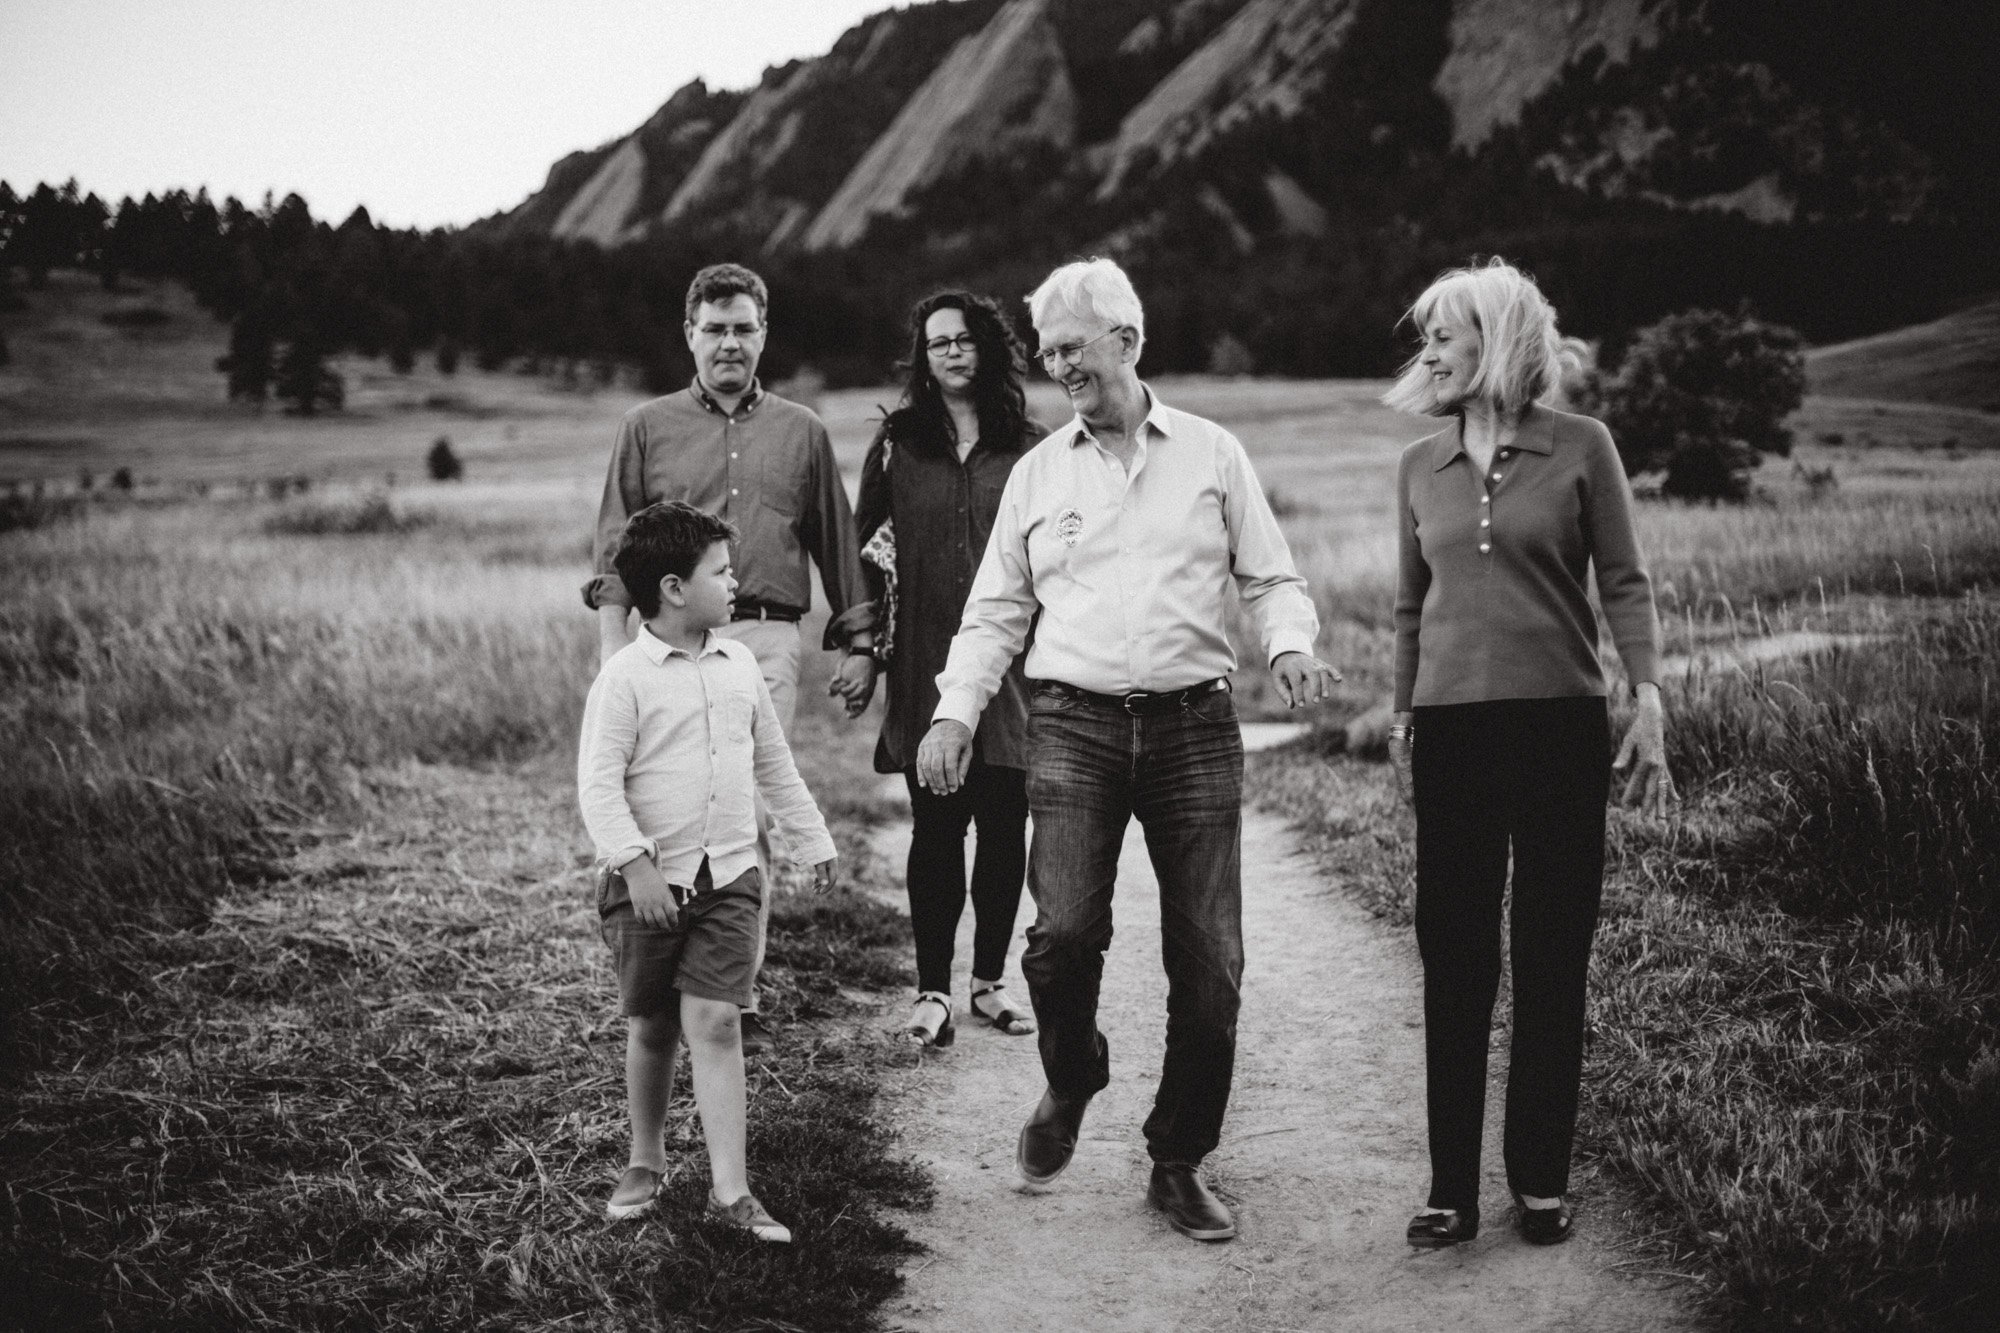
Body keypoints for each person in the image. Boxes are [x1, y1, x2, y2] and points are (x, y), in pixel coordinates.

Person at [915, 257, 1342, 1243]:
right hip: (1071, 724)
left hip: (1194, 726)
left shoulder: (1209, 454)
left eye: (1074, 347)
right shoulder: (1039, 473)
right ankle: (1072, 1077)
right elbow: (993, 613)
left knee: (1210, 961)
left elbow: (1270, 577)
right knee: (1059, 937)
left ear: (1128, 341)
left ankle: (1177, 1157)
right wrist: (953, 713)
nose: (1058, 365)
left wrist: (1287, 643)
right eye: (1048, 350)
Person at [1383, 258, 1676, 1250]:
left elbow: (1624, 584)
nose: (1425, 350)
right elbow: (1405, 606)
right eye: (1423, 335)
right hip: (1451, 733)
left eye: (1442, 333)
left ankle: (1540, 1181)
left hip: (1558, 727)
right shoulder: (1415, 466)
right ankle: (1449, 1189)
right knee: (1454, 956)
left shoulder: (1581, 447)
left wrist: (1647, 698)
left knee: (1551, 955)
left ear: (1496, 340)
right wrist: (1397, 713)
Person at [584, 262, 876, 1055]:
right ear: (690, 334)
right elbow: (616, 547)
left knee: (743, 809)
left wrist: (858, 641)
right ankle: (655, 966)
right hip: (663, 641)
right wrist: (618, 658)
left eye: (744, 328)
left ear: (763, 334)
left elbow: (836, 542)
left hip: (765, 640)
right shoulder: (646, 427)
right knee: (662, 799)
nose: (730, 343)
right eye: (714, 329)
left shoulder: (802, 431)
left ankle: (728, 988)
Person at [578, 501, 838, 1238]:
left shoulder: (740, 664)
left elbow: (773, 762)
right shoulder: (625, 678)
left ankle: (732, 1191)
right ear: (672, 588)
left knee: (717, 1020)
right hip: (647, 887)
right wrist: (636, 867)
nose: (736, 583)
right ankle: (647, 1156)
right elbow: (598, 785)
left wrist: (810, 836)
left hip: (728, 877)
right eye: (722, 572)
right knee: (655, 1025)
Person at [854, 292, 1042, 1049]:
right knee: (936, 828)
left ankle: (989, 983)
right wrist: (862, 647)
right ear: (922, 359)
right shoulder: (898, 444)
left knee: (1004, 828)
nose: (954, 352)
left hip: (1014, 670)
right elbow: (867, 549)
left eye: (965, 340)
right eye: (938, 344)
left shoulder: (1032, 445)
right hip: (925, 660)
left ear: (990, 349)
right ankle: (932, 989)